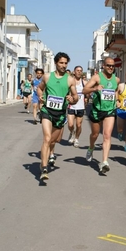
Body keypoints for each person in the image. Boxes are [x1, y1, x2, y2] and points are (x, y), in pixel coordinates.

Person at [37, 52, 78, 181]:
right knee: (47, 138)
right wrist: (40, 96)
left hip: (60, 114)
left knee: (54, 141)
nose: (63, 65)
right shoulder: (47, 77)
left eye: (66, 63)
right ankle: (44, 167)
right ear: (56, 63)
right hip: (47, 111)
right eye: (61, 63)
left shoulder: (70, 79)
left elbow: (76, 97)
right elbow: (39, 88)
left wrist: (72, 99)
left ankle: (48, 156)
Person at [82, 57, 119, 174]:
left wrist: (117, 100)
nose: (111, 68)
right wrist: (95, 88)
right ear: (103, 65)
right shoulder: (97, 77)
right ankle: (91, 147)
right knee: (95, 134)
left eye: (112, 66)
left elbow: (116, 90)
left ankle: (104, 162)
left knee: (107, 135)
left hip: (110, 111)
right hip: (97, 110)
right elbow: (84, 90)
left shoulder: (116, 79)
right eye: (108, 65)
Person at [67, 65, 88, 148]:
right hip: (71, 106)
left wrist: (86, 97)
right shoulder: (70, 81)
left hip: (80, 106)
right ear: (74, 72)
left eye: (80, 70)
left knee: (79, 125)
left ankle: (76, 139)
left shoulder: (84, 82)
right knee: (70, 124)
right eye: (77, 70)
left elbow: (87, 91)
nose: (79, 72)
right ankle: (72, 133)